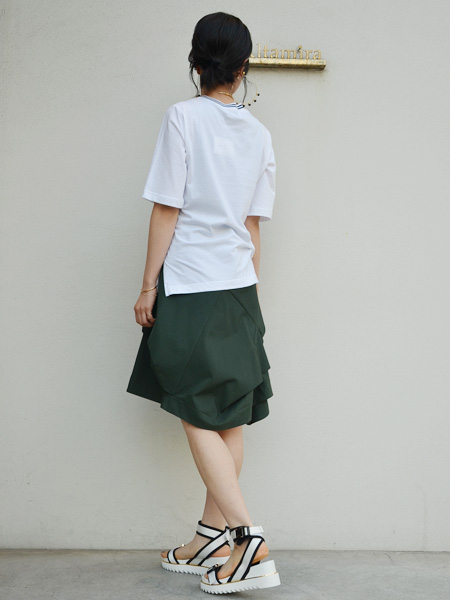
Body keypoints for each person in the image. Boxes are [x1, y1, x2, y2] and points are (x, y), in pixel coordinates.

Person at [126, 11, 280, 594]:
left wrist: (148, 286)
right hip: (238, 286)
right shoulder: (259, 133)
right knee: (228, 413)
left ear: (196, 62)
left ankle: (247, 541)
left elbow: (167, 207)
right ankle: (211, 535)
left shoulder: (182, 117)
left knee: (196, 410)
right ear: (242, 68)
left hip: (191, 285)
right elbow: (252, 225)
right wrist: (251, 298)